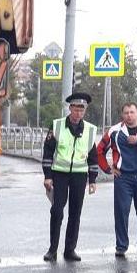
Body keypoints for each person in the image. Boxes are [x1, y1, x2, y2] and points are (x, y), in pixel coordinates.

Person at [97, 102, 137, 257]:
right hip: (123, 177)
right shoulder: (114, 131)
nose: (129, 115)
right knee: (121, 212)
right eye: (126, 112)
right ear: (122, 115)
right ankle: (121, 246)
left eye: (132, 112)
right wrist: (107, 168)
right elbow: (99, 151)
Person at [41, 92, 98, 262]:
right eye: (75, 109)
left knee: (75, 213)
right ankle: (52, 250)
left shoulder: (89, 130)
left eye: (82, 109)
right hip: (59, 174)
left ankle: (70, 250)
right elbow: (48, 152)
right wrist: (47, 176)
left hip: (79, 176)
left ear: (85, 111)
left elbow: (93, 156)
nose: (78, 113)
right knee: (57, 211)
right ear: (70, 108)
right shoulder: (57, 126)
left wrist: (93, 179)